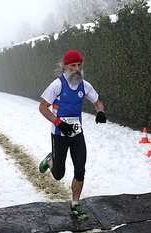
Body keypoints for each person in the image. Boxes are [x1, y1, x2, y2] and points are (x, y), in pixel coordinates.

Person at [38, 50, 107, 219]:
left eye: (79, 65)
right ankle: (50, 160)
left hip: (77, 135)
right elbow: (42, 107)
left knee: (80, 170)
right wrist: (59, 123)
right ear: (65, 67)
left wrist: (100, 112)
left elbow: (97, 102)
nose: (77, 69)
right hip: (59, 135)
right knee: (59, 174)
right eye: (73, 65)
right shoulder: (57, 85)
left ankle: (76, 205)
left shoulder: (85, 85)